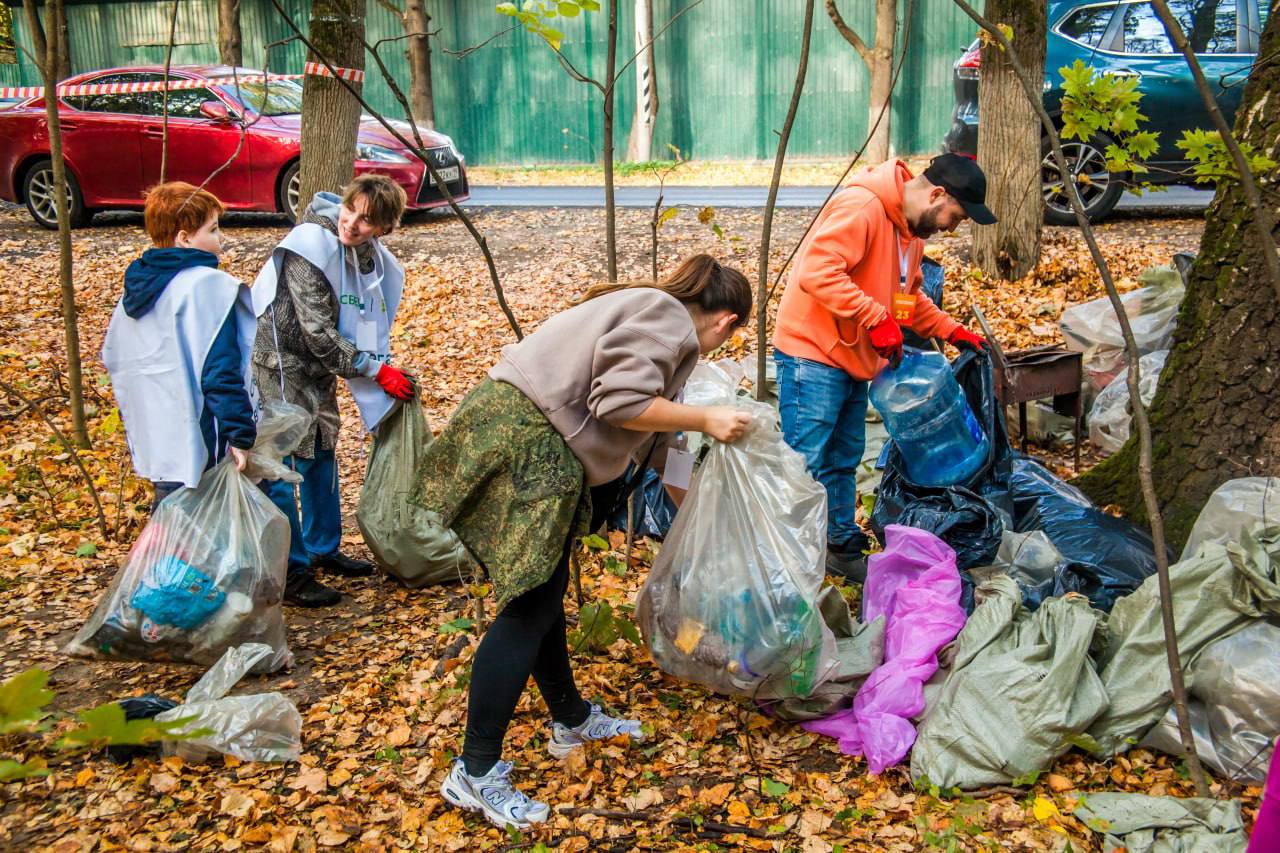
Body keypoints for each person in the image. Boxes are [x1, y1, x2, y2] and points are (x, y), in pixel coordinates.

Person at [418, 254, 753, 830]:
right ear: (727, 322)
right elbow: (618, 403)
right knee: (530, 606)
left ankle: (569, 717)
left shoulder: (659, 327)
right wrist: (709, 418)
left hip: (533, 443)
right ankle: (474, 772)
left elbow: (660, 441)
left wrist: (697, 522)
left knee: (540, 599)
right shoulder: (665, 316)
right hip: (526, 441)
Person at [772, 153, 996, 579]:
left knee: (843, 458)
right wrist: (874, 318)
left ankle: (838, 546)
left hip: (855, 357)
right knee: (806, 461)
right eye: (957, 215)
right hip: (812, 351)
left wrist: (951, 331)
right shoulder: (863, 207)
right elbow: (817, 272)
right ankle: (789, 563)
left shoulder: (911, 231)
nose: (954, 226)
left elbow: (906, 300)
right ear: (937, 194)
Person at [251, 175, 416, 608]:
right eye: (351, 211)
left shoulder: (365, 253)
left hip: (319, 368)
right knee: (284, 460)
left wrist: (377, 362)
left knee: (322, 448)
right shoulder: (310, 246)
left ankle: (323, 547)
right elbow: (318, 332)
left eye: (367, 221)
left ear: (383, 228)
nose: (353, 224)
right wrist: (373, 371)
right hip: (282, 363)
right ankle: (292, 568)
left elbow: (366, 310)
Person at [103, 182, 256, 510]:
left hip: (155, 437)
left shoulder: (136, 293)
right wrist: (240, 435)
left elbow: (117, 358)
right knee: (204, 537)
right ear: (185, 238)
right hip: (201, 441)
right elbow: (219, 371)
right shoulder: (207, 288)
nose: (221, 238)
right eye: (213, 229)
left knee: (171, 531)